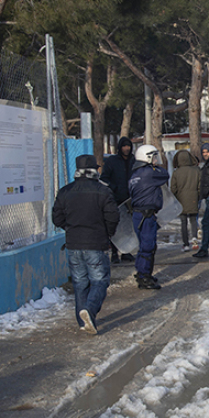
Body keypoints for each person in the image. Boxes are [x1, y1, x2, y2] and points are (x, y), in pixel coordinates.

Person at [52, 154, 119, 334]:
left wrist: (70, 227)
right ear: (94, 170)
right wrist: (108, 233)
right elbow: (113, 216)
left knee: (80, 283)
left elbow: (56, 218)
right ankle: (89, 311)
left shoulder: (65, 191)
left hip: (73, 243)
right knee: (100, 281)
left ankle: (84, 323)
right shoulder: (103, 191)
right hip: (96, 243)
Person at [128, 144, 169, 290]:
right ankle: (144, 276)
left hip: (139, 215)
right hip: (146, 216)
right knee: (148, 246)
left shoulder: (135, 174)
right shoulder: (149, 172)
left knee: (144, 246)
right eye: (154, 157)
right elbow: (165, 175)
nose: (156, 160)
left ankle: (144, 273)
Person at [100, 136, 136, 264]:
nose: (126, 148)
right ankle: (115, 253)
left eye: (128, 146)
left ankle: (126, 252)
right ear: (119, 147)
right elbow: (104, 178)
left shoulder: (133, 161)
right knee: (115, 227)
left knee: (128, 227)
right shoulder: (112, 161)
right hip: (116, 199)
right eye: (124, 146)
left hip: (130, 200)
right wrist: (114, 188)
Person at [170, 149, 201, 252]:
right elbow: (200, 186)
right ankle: (195, 238)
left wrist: (175, 199)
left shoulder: (176, 173)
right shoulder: (196, 170)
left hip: (181, 200)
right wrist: (198, 196)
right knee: (193, 220)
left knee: (183, 222)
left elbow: (173, 189)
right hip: (193, 199)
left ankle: (186, 244)